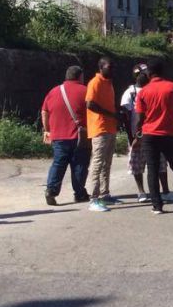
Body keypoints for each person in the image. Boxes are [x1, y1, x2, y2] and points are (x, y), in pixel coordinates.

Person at [134, 58, 173, 214]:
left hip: (149, 135)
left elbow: (139, 117)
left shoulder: (143, 92)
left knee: (153, 170)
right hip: (169, 134)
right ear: (163, 71)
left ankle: (157, 205)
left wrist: (138, 134)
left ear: (149, 73)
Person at [41, 65, 90, 206]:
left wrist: (47, 130)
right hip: (79, 135)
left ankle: (51, 190)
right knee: (79, 164)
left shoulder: (53, 91)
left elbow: (44, 112)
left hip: (58, 136)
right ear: (80, 76)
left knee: (58, 163)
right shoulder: (85, 91)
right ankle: (80, 193)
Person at [120, 65, 170, 203]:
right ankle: (141, 191)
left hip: (154, 132)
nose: (143, 75)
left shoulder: (152, 89)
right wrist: (132, 137)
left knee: (160, 162)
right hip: (138, 135)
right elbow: (126, 116)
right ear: (135, 76)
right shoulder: (130, 93)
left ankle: (165, 190)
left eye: (145, 73)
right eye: (140, 74)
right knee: (137, 164)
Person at [85, 57, 120, 212]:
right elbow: (90, 103)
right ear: (101, 67)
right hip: (99, 128)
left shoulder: (109, 83)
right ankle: (93, 198)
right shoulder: (95, 82)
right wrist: (110, 114)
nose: (112, 70)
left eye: (113, 67)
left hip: (110, 128)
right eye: (109, 67)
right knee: (98, 163)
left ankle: (105, 194)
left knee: (107, 163)